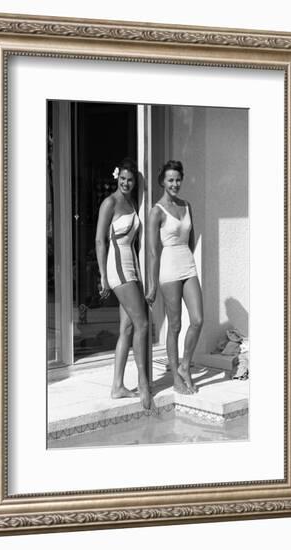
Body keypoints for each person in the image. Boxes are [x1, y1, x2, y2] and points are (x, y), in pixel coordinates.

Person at [95, 158, 151, 409]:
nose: (126, 183)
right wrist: (103, 276)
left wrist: (141, 275)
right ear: (117, 178)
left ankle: (117, 386)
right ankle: (143, 382)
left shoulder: (130, 202)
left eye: (131, 180)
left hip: (132, 268)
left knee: (127, 328)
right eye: (123, 179)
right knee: (143, 323)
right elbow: (99, 241)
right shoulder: (110, 203)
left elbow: (135, 244)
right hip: (117, 269)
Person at [146, 160, 203, 394]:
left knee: (198, 319)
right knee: (176, 325)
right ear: (162, 181)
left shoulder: (187, 205)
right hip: (168, 268)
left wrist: (190, 260)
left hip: (187, 265)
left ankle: (184, 366)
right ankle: (176, 379)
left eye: (178, 179)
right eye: (170, 179)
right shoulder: (156, 212)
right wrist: (151, 285)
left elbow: (191, 239)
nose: (175, 183)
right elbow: (152, 252)